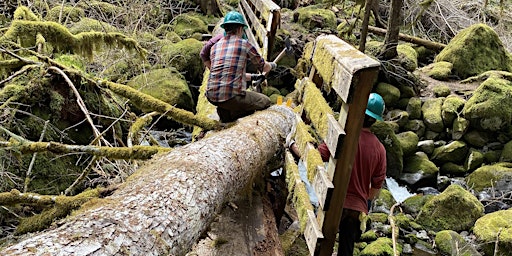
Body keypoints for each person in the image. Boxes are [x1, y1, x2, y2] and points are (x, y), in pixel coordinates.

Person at [337, 92, 387, 256]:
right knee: (347, 248)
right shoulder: (380, 149)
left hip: (334, 201)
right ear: (375, 120)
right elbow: (375, 190)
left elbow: (320, 154)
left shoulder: (345, 135)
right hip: (356, 208)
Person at [206, 11, 277, 123]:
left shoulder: (215, 47)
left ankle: (225, 115)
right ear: (240, 29)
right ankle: (235, 114)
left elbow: (230, 74)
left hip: (211, 96)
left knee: (228, 103)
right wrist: (271, 66)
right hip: (231, 97)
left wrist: (254, 77)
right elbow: (263, 66)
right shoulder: (244, 44)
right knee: (265, 101)